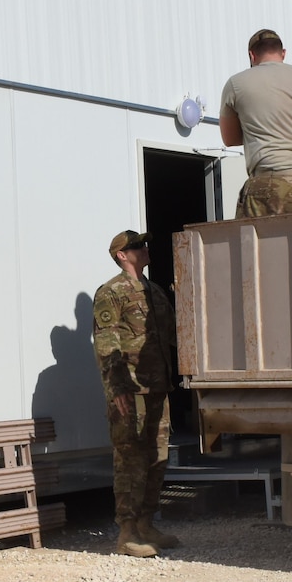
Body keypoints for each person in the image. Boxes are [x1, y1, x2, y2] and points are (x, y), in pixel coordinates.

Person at [91, 230, 180, 557]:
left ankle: (146, 523)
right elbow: (107, 343)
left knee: (157, 457)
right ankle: (127, 532)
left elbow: (174, 335)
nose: (144, 249)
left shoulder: (154, 291)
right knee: (131, 459)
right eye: (136, 246)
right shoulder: (111, 293)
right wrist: (117, 389)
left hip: (158, 387)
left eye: (144, 244)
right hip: (130, 390)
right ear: (121, 255)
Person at [220, 28, 292, 216]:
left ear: (251, 55)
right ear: (283, 53)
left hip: (269, 180)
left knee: (260, 244)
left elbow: (230, 139)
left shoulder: (236, 84)